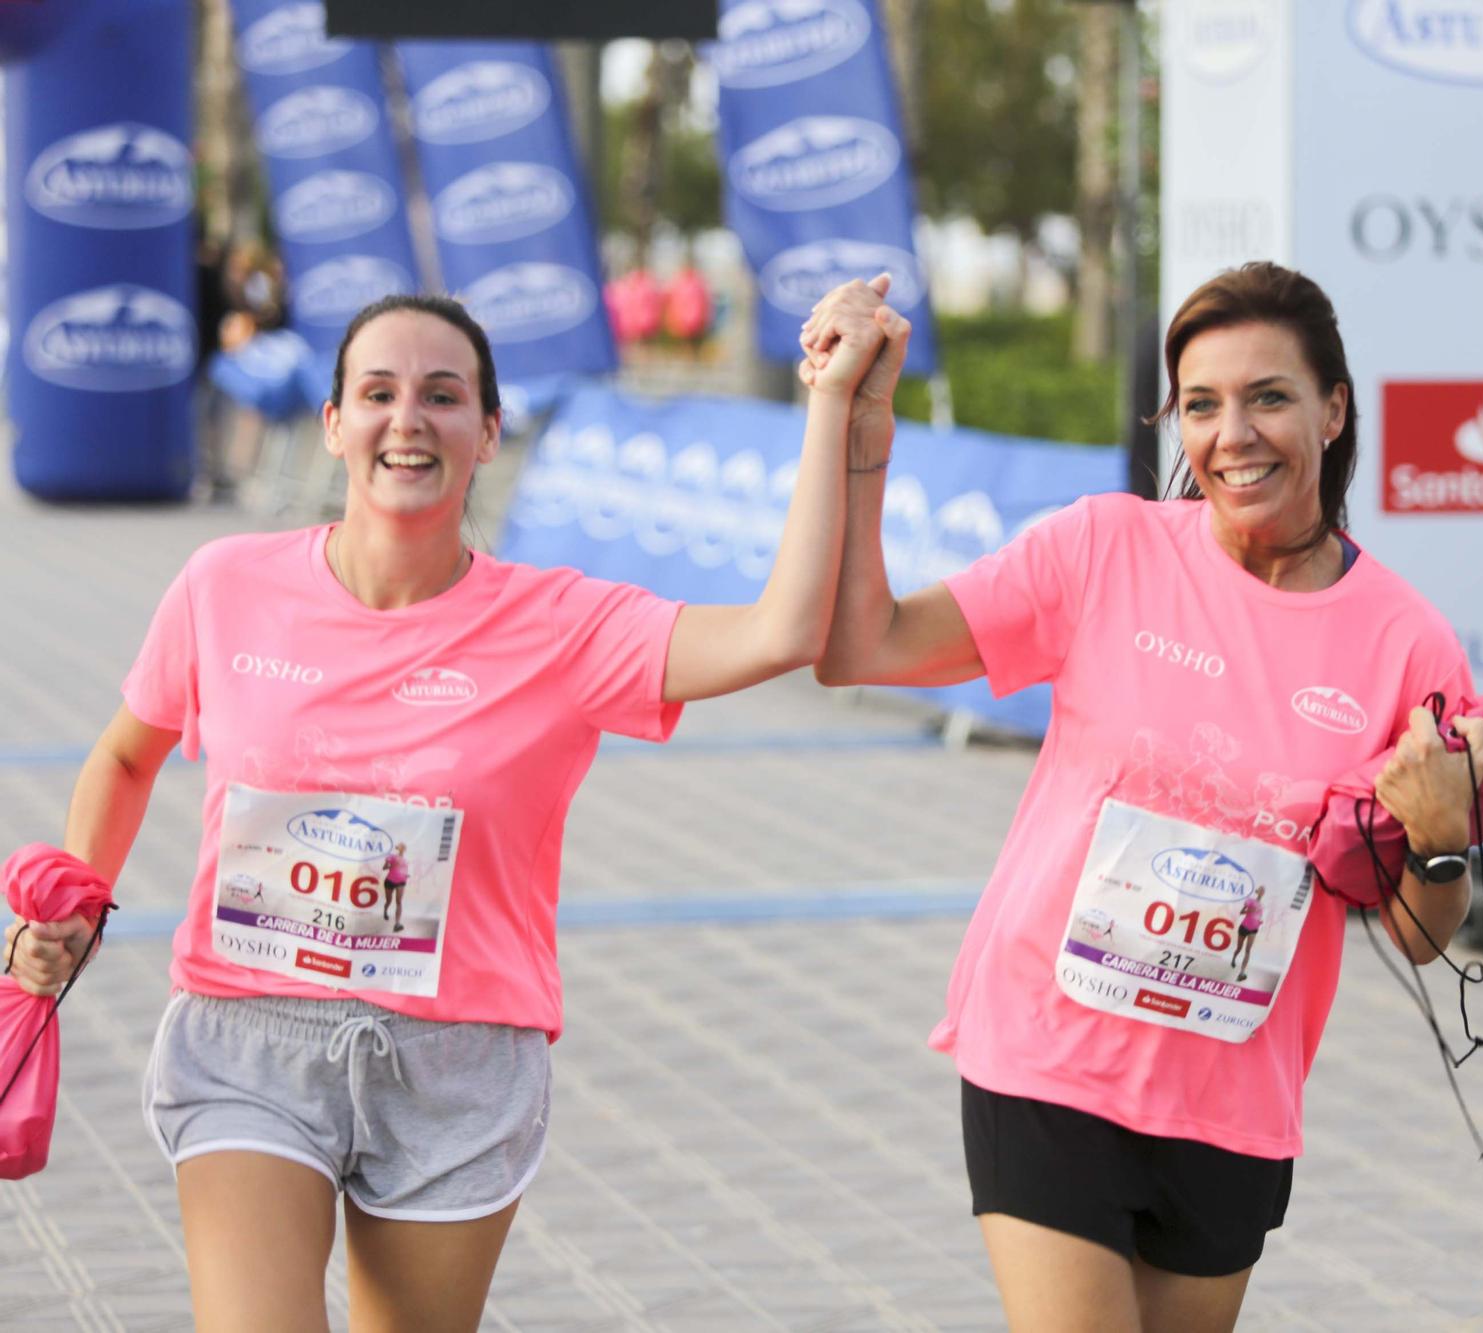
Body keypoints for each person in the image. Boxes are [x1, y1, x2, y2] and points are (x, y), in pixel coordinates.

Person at [3, 282, 909, 1332]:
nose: (407, 419)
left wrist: (832, 405)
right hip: (249, 1041)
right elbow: (123, 757)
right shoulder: (224, 584)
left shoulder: (561, 623)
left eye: (442, 396)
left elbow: (781, 630)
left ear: (487, 432)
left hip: (457, 1066)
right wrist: (78, 901)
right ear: (334, 422)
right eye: (377, 393)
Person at [807, 260, 1483, 1332]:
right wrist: (856, 429)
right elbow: (858, 644)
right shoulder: (1104, 548)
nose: (1230, 433)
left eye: (1268, 397)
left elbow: (1418, 935)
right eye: (1200, 404)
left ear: (1333, 410)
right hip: (1048, 1052)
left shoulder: (1404, 640)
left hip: (1231, 1100)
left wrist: (1437, 844)